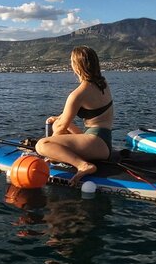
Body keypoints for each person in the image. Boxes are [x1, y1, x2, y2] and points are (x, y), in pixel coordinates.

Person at [35, 46, 113, 185]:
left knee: (41, 145)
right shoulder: (103, 83)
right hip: (104, 140)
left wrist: (51, 151)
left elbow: (59, 128)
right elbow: (66, 118)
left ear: (77, 66)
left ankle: (83, 165)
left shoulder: (78, 94)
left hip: (95, 143)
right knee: (60, 125)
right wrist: (58, 120)